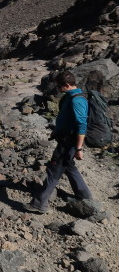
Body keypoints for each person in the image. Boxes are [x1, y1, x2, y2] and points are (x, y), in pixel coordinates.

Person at [25, 71, 93, 214]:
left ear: (67, 85)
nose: (58, 89)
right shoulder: (70, 97)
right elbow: (66, 118)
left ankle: (38, 204)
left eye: (59, 87)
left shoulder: (77, 101)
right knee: (69, 167)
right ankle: (85, 196)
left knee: (53, 170)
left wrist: (79, 149)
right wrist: (57, 130)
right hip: (64, 138)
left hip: (69, 142)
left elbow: (82, 125)